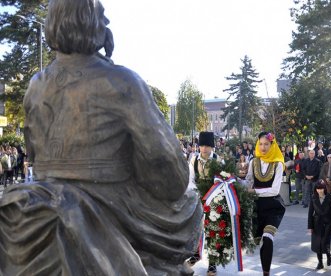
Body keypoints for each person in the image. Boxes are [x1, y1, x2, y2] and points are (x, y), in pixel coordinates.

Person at [0, 0, 202, 274]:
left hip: (38, 200)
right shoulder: (123, 82)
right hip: (111, 204)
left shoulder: (35, 86)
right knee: (190, 196)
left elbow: (33, 154)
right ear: (90, 21)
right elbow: (170, 176)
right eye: (101, 16)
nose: (106, 22)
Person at [246, 132, 286, 276]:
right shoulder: (253, 162)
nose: (263, 147)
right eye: (261, 144)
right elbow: (248, 182)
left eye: (266, 144)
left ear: (272, 145)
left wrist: (253, 191)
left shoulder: (278, 164)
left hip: (273, 207)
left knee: (268, 239)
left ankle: (266, 273)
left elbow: (274, 190)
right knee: (260, 240)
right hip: (257, 207)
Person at [187, 131, 221, 275]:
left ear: (212, 146)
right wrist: (197, 195)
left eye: (207, 145)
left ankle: (212, 263)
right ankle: (196, 254)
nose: (204, 149)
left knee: (213, 230)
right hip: (199, 198)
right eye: (202, 145)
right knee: (197, 228)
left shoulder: (218, 160)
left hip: (214, 198)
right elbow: (191, 180)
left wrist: (213, 195)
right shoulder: (194, 160)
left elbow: (221, 180)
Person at [308, 179, 331, 270]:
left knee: (325, 242)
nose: (319, 191)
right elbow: (310, 213)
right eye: (318, 189)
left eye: (321, 189)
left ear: (324, 188)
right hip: (316, 224)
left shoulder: (330, 197)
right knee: (317, 244)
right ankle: (320, 262)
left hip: (327, 224)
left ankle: (329, 256)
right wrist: (310, 227)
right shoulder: (313, 197)